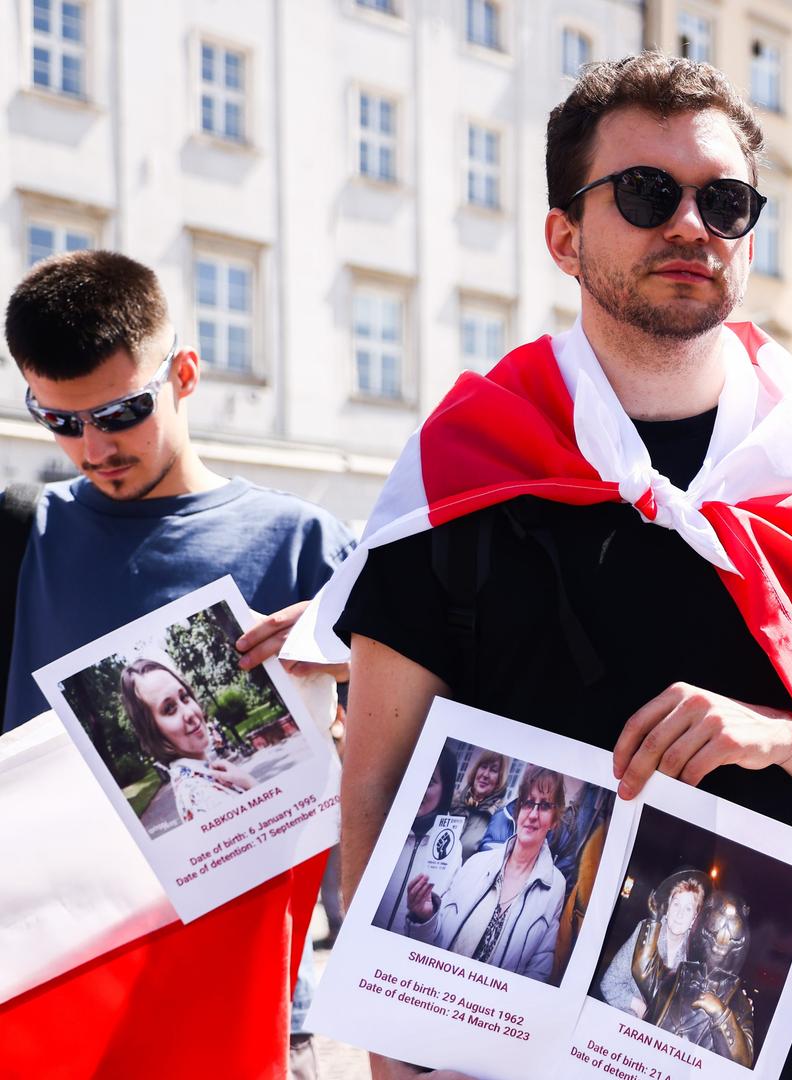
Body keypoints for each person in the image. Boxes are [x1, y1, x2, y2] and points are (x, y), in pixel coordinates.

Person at [313, 51, 792, 1080]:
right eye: (649, 194)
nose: (691, 225)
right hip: (512, 1044)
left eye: (725, 200)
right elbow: (375, 779)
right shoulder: (471, 458)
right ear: (565, 237)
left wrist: (778, 735)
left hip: (777, 1031)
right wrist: (397, 1047)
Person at [3, 249, 355, 1079]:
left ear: (184, 373)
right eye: (59, 420)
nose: (92, 447)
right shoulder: (20, 535)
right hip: (60, 998)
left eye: (121, 412)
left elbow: (389, 764)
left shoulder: (305, 547)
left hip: (254, 1006)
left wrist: (350, 677)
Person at [404, 767, 568, 985]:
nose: (533, 814)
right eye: (528, 803)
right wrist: (425, 917)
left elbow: (539, 967)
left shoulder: (555, 885)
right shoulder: (476, 864)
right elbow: (432, 942)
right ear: (518, 810)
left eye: (545, 806)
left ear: (555, 820)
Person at [122, 657, 256, 825]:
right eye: (169, 709)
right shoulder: (200, 795)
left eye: (184, 697)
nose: (190, 713)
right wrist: (252, 785)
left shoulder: (202, 776)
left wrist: (247, 783)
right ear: (154, 733)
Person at [659, 890, 758, 1066]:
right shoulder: (673, 977)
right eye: (713, 904)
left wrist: (721, 1015)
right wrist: (654, 921)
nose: (729, 911)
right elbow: (642, 971)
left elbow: (743, 1063)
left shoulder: (739, 1003)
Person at [599, 869, 708, 1022]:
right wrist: (639, 1007)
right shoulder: (646, 932)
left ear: (694, 918)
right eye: (676, 904)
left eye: (688, 908)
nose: (680, 914)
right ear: (668, 907)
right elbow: (609, 984)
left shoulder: (692, 955)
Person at [373, 748, 458, 934]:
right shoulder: (383, 826)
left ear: (446, 789)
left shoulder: (452, 846)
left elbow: (440, 928)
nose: (418, 789)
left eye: (429, 782)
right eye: (415, 778)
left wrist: (423, 919)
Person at [450, 749, 507, 860]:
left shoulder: (499, 818)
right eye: (483, 766)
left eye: (493, 770)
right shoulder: (452, 802)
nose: (485, 775)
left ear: (499, 779)